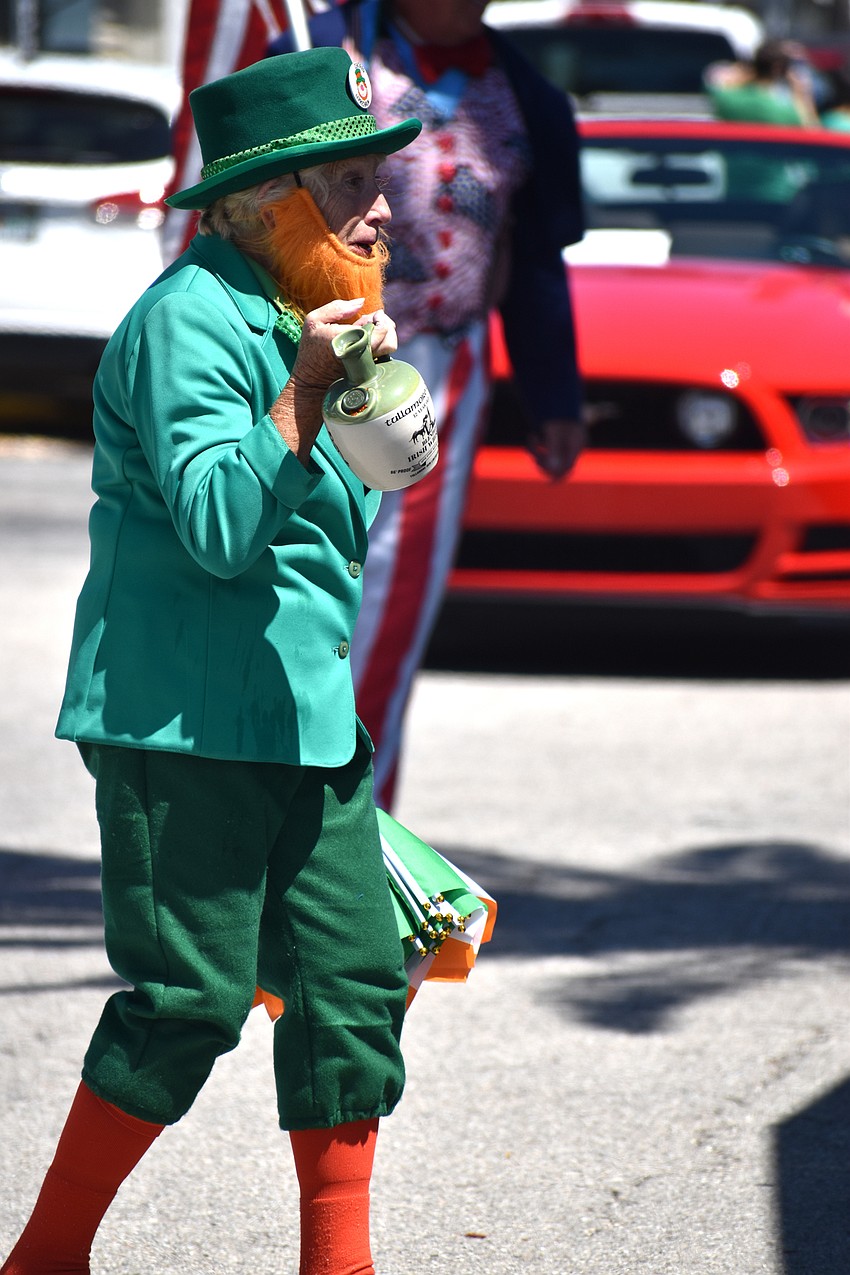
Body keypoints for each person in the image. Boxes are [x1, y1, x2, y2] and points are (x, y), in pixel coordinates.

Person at [1, 47, 422, 1275]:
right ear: (267, 202)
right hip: (182, 726)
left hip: (304, 720)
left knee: (353, 989)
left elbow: (332, 534)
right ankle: (45, 1259)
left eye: (374, 179)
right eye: (348, 183)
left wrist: (366, 401)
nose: (380, 206)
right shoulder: (188, 320)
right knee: (189, 1001)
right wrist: (302, 394)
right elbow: (223, 532)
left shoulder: (300, 310)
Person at [270, 0, 586, 810]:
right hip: (295, 354)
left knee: (384, 604)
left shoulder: (525, 94)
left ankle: (352, 827)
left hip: (434, 369)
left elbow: (538, 254)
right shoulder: (319, 50)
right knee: (284, 586)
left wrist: (553, 393)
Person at [705, 38, 820, 126]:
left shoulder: (727, 101)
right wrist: (801, 95)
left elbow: (713, 83)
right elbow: (810, 129)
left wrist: (745, 75)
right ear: (779, 69)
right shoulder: (786, 112)